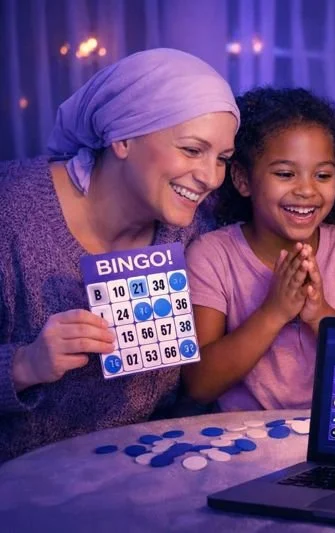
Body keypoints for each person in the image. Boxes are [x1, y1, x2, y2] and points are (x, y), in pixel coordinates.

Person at [0, 48, 239, 462]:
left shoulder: (198, 228)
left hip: (144, 476)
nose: (210, 177)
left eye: (222, 159)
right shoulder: (11, 210)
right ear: (123, 138)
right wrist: (24, 364)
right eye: (192, 149)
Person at [182, 87, 335, 410]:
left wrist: (319, 313)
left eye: (323, 174)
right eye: (285, 174)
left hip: (331, 434)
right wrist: (274, 311)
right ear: (242, 179)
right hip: (240, 441)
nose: (307, 190)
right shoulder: (210, 255)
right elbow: (198, 384)